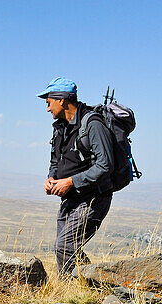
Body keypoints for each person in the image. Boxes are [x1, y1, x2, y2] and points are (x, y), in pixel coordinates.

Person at [39, 77, 116, 278]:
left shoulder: (93, 124)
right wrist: (51, 178)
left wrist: (71, 181)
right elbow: (56, 160)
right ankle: (77, 288)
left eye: (49, 102)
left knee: (64, 245)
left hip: (93, 198)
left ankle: (88, 285)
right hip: (70, 198)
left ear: (62, 100)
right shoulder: (60, 128)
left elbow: (105, 165)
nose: (47, 109)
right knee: (64, 248)